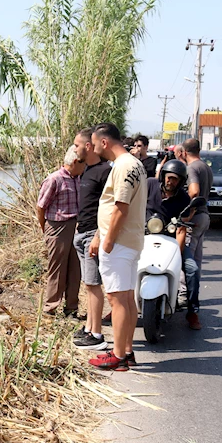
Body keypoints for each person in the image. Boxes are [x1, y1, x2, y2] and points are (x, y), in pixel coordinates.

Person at [87, 123, 147, 371]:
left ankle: (118, 355)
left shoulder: (123, 166)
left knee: (117, 299)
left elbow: (120, 207)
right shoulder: (136, 164)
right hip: (130, 241)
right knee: (127, 298)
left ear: (104, 142)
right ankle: (128, 351)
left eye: (94, 143)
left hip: (119, 242)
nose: (93, 149)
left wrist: (107, 240)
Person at [71, 128, 111, 350]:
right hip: (82, 233)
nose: (74, 149)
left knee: (94, 285)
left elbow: (110, 208)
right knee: (88, 285)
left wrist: (97, 235)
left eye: (77, 145)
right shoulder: (86, 170)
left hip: (92, 235)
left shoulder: (105, 172)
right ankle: (88, 327)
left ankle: (97, 335)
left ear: (88, 146)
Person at [36, 145, 85, 317]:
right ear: (74, 162)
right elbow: (41, 207)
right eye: (83, 163)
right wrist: (46, 230)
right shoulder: (54, 179)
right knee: (57, 269)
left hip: (75, 226)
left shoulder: (77, 178)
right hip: (58, 227)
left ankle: (71, 308)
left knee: (75, 268)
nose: (85, 166)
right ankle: (51, 308)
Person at [155, 160, 201, 328]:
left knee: (192, 269)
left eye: (175, 179)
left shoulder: (183, 199)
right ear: (163, 176)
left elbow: (181, 229)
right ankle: (119, 305)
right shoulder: (149, 187)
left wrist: (177, 255)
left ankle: (193, 311)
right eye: (168, 177)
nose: (170, 181)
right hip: (145, 240)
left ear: (181, 181)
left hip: (172, 242)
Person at [180, 137, 213, 327]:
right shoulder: (205, 167)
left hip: (194, 217)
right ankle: (194, 295)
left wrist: (187, 213)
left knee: (187, 259)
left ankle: (185, 294)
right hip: (205, 216)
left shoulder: (192, 168)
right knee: (197, 260)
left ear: (184, 152)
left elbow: (194, 191)